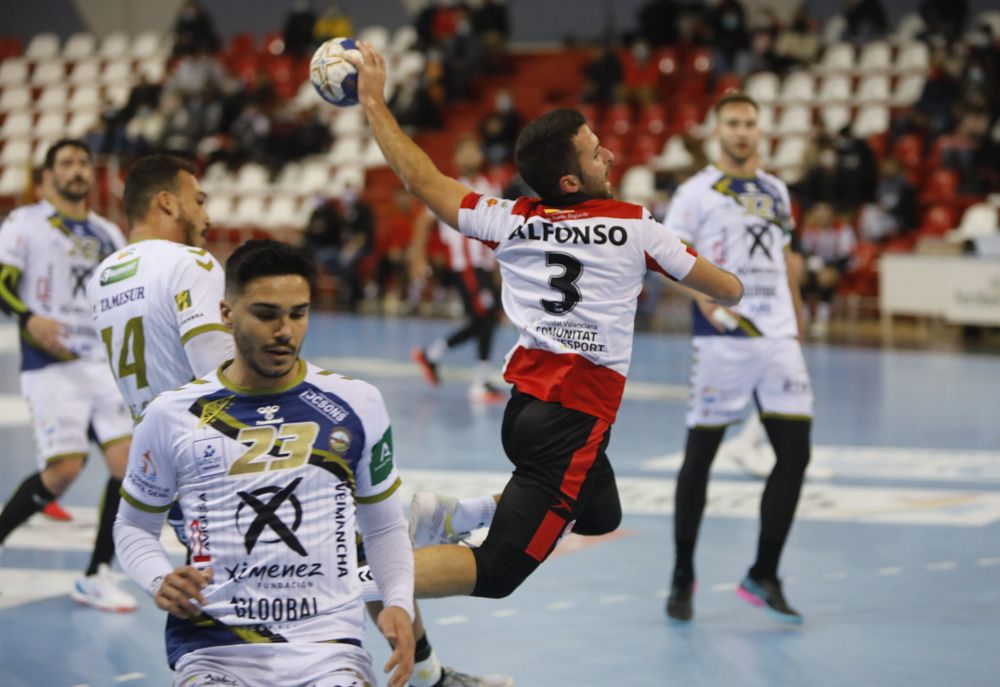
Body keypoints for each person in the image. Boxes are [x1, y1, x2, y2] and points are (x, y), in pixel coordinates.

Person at [94, 156, 512, 687]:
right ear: (167, 202)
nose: (207, 214)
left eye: (297, 314)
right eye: (198, 199)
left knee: (333, 549)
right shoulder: (190, 265)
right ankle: (429, 585)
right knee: (336, 547)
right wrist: (283, 408)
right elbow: (218, 368)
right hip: (224, 446)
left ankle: (424, 656)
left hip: (179, 458)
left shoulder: (107, 274)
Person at [345, 42, 741, 602]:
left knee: (600, 513)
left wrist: (374, 105)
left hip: (526, 408)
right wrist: (740, 275)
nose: (609, 157)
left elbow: (423, 181)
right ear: (572, 181)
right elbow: (725, 287)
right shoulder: (635, 226)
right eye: (596, 153)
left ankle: (459, 513)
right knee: (499, 571)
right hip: (574, 419)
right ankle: (345, 587)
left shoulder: (512, 219)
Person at [112, 240, 415, 687]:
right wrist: (159, 578)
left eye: (298, 313)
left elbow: (384, 525)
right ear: (227, 314)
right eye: (266, 314)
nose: (285, 331)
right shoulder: (172, 415)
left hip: (327, 648)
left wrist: (398, 603)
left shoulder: (357, 403)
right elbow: (133, 527)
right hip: (212, 648)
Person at [662, 92, 812, 624]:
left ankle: (763, 573)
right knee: (699, 458)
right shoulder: (695, 192)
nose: (743, 132)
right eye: (733, 123)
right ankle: (683, 573)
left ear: (760, 129)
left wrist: (798, 321)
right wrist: (705, 299)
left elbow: (788, 257)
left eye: (750, 123)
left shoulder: (776, 188)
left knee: (795, 456)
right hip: (723, 337)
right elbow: (669, 257)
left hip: (777, 338)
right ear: (716, 129)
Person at [0, 139, 136, 611]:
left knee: (130, 467)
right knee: (62, 472)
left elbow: (126, 291)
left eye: (83, 162)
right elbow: (3, 282)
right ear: (48, 176)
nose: (77, 170)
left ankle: (97, 574)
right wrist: (28, 319)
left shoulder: (107, 233)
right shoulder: (26, 222)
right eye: (66, 163)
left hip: (101, 363)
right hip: (51, 363)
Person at [411, 135, 505, 403]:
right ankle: (480, 382)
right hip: (464, 265)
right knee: (486, 316)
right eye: (465, 151)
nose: (471, 156)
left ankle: (431, 355)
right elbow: (423, 223)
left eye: (475, 149)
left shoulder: (491, 186)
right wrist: (419, 258)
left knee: (484, 318)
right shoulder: (448, 187)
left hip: (484, 265)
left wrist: (500, 266)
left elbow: (498, 228)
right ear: (456, 159)